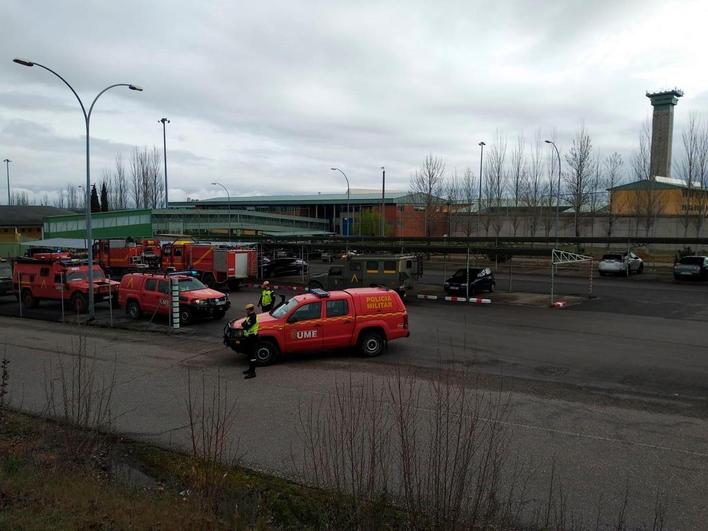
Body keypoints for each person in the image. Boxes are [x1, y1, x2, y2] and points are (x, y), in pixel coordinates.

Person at [241, 303, 259, 379]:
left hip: (252, 338)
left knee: (252, 356)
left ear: (249, 310)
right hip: (249, 337)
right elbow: (243, 324)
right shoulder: (250, 316)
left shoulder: (253, 317)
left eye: (247, 310)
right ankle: (250, 369)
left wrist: (244, 325)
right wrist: (244, 325)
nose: (246, 311)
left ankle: (252, 372)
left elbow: (246, 326)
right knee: (249, 354)